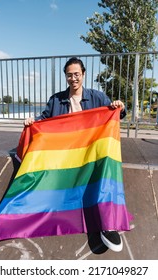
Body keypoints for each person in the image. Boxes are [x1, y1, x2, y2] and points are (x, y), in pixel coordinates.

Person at [24, 57, 126, 252]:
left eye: (76, 74)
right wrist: (32, 122)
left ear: (83, 75)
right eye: (69, 75)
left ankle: (108, 225)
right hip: (67, 155)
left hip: (92, 154)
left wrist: (119, 107)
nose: (73, 78)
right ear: (66, 77)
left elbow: (117, 113)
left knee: (108, 172)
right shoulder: (56, 99)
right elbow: (45, 120)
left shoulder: (97, 97)